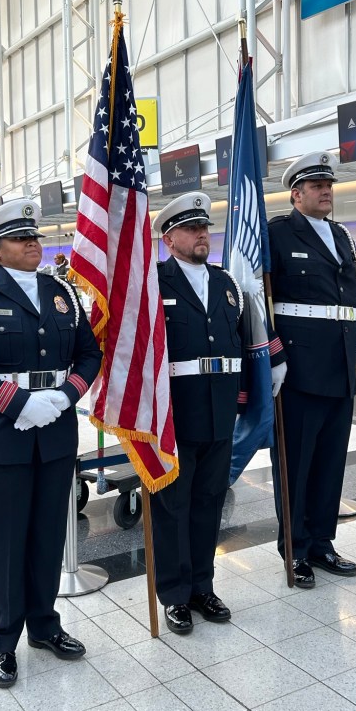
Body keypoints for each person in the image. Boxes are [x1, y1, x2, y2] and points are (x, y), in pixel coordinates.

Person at [0, 199, 101, 687]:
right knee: (7, 542)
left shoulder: (62, 292)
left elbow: (89, 354)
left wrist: (64, 396)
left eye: (34, 236)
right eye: (21, 238)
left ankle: (45, 626)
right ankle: (2, 642)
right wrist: (18, 404)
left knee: (48, 536)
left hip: (54, 430)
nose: (34, 243)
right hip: (1, 435)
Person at [151, 192, 248, 634]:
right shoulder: (155, 282)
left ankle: (202, 587)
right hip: (174, 414)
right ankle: (174, 594)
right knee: (173, 505)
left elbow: (240, 345)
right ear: (169, 239)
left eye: (204, 227)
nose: (201, 235)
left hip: (219, 410)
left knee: (210, 502)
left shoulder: (226, 284)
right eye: (191, 229)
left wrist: (243, 400)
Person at [269, 151, 356, 588]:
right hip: (299, 369)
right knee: (296, 465)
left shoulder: (341, 235)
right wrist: (273, 355)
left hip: (340, 366)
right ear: (296, 194)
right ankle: (296, 548)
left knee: (329, 463)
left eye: (329, 185)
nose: (326, 192)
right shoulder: (277, 233)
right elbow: (256, 300)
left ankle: (322, 542)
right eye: (317, 186)